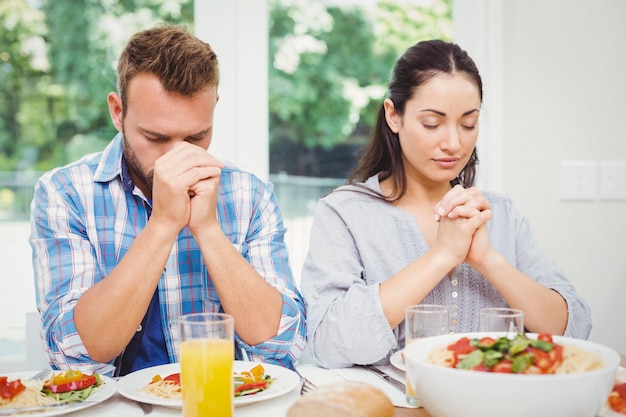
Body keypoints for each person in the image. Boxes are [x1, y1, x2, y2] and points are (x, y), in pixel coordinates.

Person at [29, 24, 306, 376]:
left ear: (214, 109)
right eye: (156, 137)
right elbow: (74, 357)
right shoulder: (64, 193)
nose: (177, 157)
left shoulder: (250, 194)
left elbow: (282, 345)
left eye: (196, 136)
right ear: (118, 112)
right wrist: (162, 224)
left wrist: (207, 229)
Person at [299, 39, 592, 369]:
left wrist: (488, 260)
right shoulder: (345, 213)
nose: (454, 143)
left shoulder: (501, 213)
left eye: (468, 124)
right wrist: (442, 255)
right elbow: (328, 343)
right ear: (394, 116)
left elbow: (574, 329)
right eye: (432, 123)